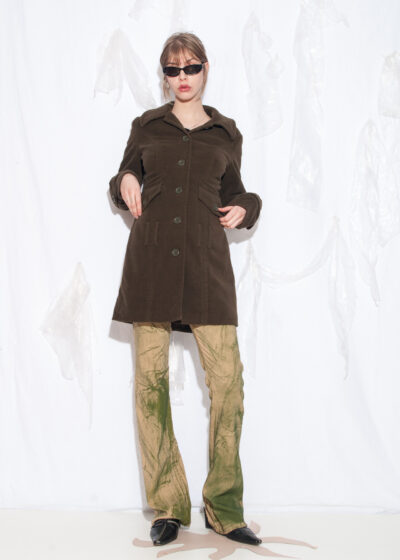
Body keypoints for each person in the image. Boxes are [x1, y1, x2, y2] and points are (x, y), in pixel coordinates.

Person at [109, 32, 262, 547]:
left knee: (229, 386)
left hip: (206, 268)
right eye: (172, 69)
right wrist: (124, 180)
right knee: (150, 386)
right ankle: (168, 506)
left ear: (205, 70)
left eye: (190, 67)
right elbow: (124, 177)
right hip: (151, 266)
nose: (182, 78)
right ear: (164, 75)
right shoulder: (147, 126)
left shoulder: (226, 132)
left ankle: (224, 507)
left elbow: (237, 192)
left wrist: (249, 206)